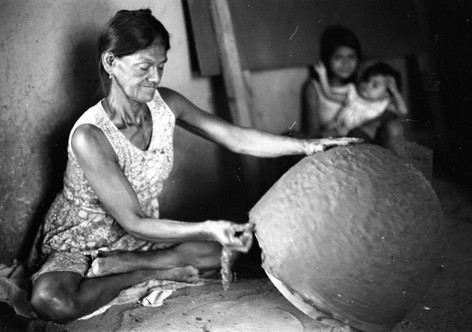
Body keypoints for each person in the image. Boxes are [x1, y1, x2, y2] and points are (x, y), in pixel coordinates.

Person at [29, 9, 361, 323]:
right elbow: (134, 221)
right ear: (111, 62)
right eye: (144, 66)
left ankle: (131, 263)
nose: (155, 77)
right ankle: (142, 272)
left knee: (234, 249)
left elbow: (236, 137)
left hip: (140, 240)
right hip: (83, 243)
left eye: (161, 65)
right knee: (52, 301)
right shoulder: (90, 136)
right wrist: (206, 226)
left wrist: (308, 145)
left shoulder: (166, 105)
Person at [314, 61, 408, 156]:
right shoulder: (353, 95)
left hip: (363, 139)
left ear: (386, 93)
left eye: (374, 85)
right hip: (340, 131)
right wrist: (322, 74)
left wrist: (395, 92)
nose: (367, 86)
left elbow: (403, 111)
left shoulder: (382, 104)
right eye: (367, 80)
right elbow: (329, 94)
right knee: (321, 140)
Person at [302, 25, 362, 139]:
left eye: (351, 57)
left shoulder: (361, 87)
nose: (346, 63)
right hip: (327, 143)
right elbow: (312, 132)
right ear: (327, 59)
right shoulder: (314, 87)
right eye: (338, 57)